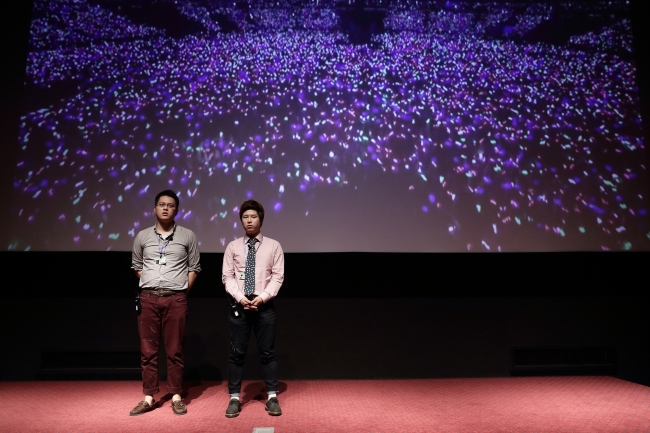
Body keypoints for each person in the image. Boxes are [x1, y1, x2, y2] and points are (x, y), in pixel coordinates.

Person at [130, 189, 201, 416]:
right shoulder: (142, 236)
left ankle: (176, 396)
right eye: (161, 204)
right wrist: (153, 287)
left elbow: (194, 268)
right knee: (148, 351)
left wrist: (180, 291)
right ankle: (149, 397)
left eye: (170, 205)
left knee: (175, 350)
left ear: (176, 210)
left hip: (176, 299)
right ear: (154, 208)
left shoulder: (188, 236)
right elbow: (137, 266)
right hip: (148, 298)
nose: (165, 208)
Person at [222, 200, 284, 418]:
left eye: (253, 217)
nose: (249, 220)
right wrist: (240, 298)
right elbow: (227, 277)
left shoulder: (274, 246)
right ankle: (235, 398)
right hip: (239, 306)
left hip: (264, 307)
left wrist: (262, 298)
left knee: (267, 353)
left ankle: (272, 397)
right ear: (241, 220)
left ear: (261, 219)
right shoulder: (232, 246)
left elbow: (277, 277)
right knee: (237, 354)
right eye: (245, 217)